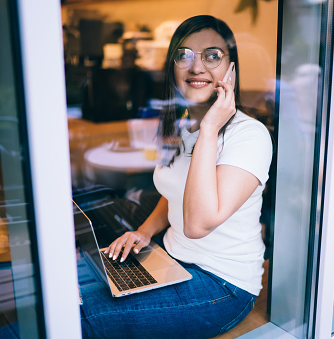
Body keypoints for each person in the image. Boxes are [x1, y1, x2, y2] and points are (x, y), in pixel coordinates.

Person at [79, 15, 273, 339]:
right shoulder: (183, 126)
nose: (196, 67)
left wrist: (210, 129)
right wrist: (143, 232)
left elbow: (198, 223)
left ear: (232, 70)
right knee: (73, 295)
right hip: (170, 259)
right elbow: (176, 192)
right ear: (173, 67)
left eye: (212, 56)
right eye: (184, 55)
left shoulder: (248, 136)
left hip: (222, 285)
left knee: (83, 319)